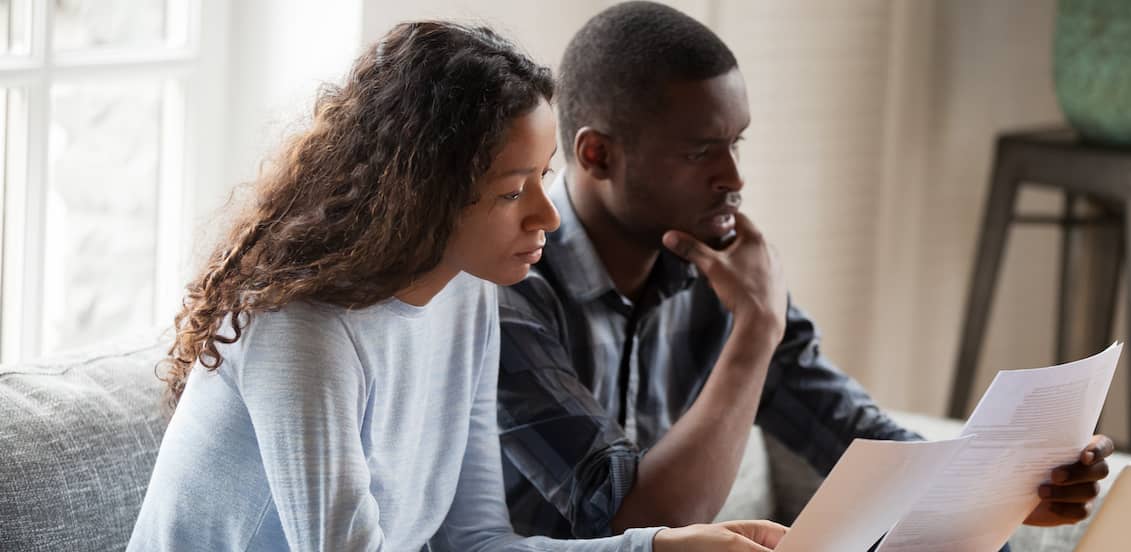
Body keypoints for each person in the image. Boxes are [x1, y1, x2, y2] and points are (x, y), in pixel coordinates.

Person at [128, 21, 787, 552]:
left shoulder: (471, 295)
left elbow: (475, 541)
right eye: (510, 191)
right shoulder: (302, 330)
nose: (547, 214)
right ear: (420, 197)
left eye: (542, 175)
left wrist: (665, 547)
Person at [495, 1, 1114, 547]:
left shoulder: (717, 266)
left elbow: (850, 435)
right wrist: (755, 329)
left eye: (735, 144)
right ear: (596, 154)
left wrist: (1012, 486)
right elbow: (645, 528)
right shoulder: (510, 292)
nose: (733, 179)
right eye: (700, 151)